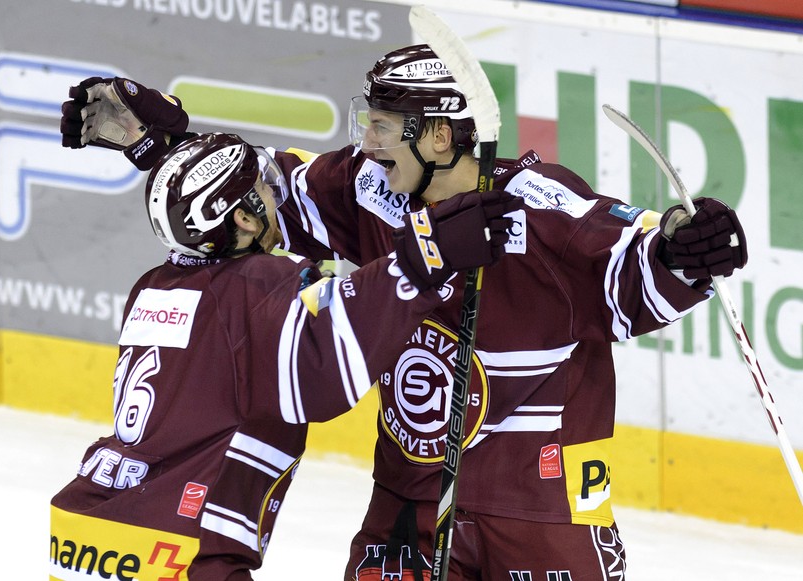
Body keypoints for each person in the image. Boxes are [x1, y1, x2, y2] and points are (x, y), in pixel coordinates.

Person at [60, 45, 748, 580]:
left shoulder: (538, 204)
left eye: (383, 126)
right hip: (409, 507)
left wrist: (689, 248)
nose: (366, 143)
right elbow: (258, 199)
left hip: (540, 513)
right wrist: (162, 145)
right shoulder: (367, 189)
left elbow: (634, 269)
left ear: (440, 137)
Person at [48, 130, 517, 581]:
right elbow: (325, 363)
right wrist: (422, 258)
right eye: (263, 189)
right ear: (245, 220)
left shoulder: (150, 286)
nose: (276, 197)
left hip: (86, 538)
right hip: (176, 551)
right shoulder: (257, 286)